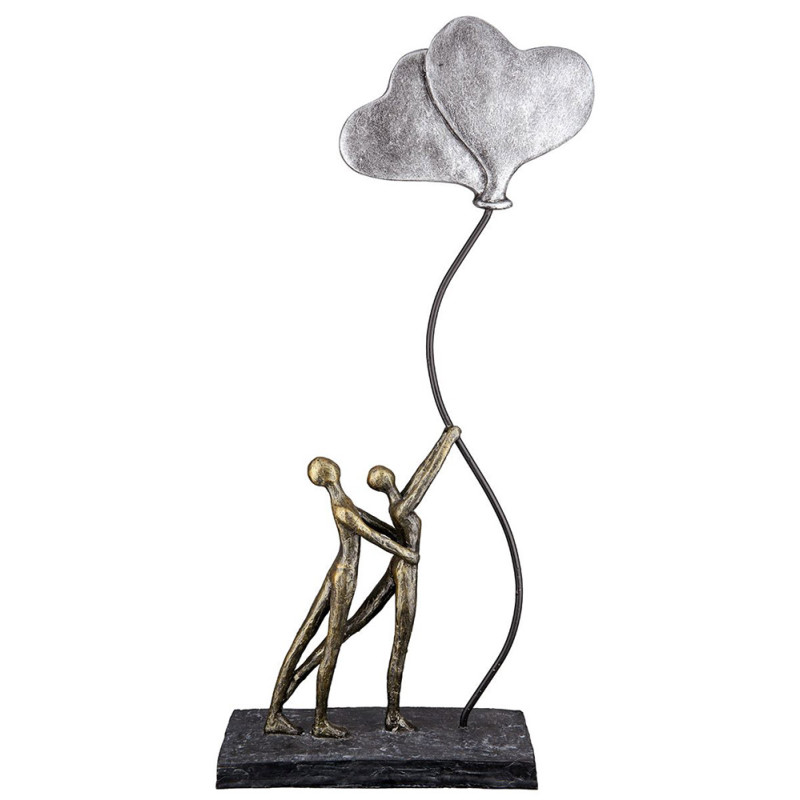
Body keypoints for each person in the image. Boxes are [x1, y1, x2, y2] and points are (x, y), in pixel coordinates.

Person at [284, 426, 461, 731]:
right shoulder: (401, 507)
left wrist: (446, 437)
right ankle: (391, 714)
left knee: (353, 625)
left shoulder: (393, 503)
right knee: (398, 642)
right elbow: (427, 476)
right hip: (403, 572)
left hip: (395, 566)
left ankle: (299, 675)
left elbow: (413, 485)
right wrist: (449, 439)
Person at [263, 456, 419, 739]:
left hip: (335, 573)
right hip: (343, 579)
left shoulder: (344, 501)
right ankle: (319, 721)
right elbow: (370, 534)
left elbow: (374, 525)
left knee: (304, 636)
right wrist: (405, 552)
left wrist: (400, 538)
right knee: (331, 647)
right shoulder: (342, 507)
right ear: (327, 474)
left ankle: (275, 714)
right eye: (327, 464)